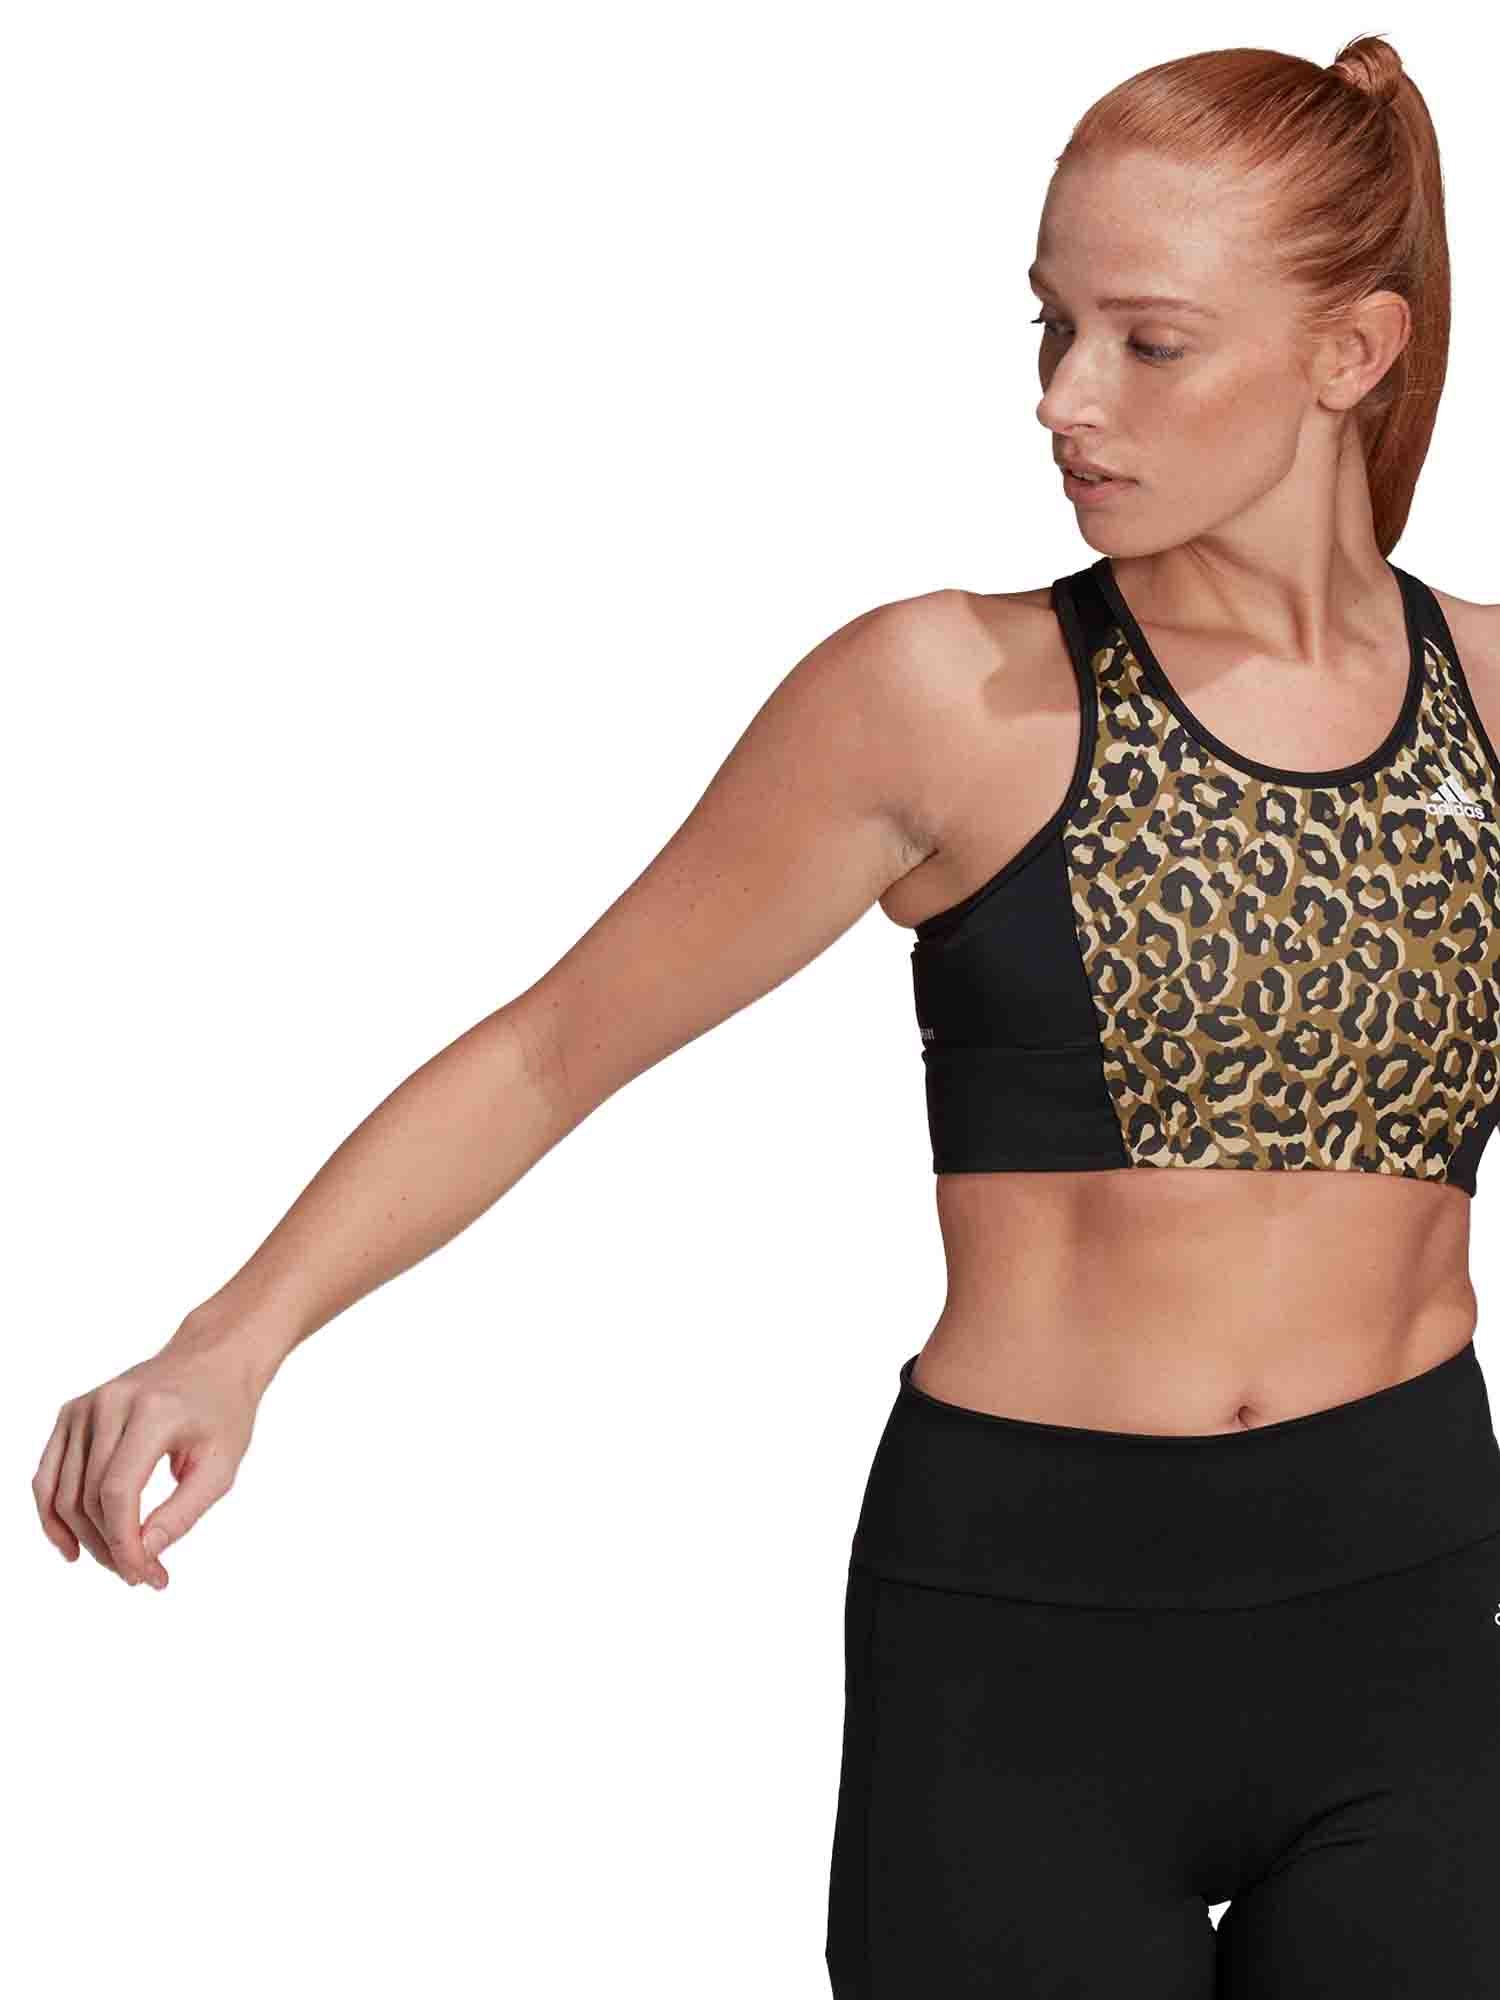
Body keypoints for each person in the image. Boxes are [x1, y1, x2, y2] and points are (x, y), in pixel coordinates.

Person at [30, 29, 1500, 1996]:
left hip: (1413, 1621)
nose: (1063, 396)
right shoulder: (944, 697)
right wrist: (232, 1342)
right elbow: (554, 1045)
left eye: (1148, 343)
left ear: (1353, 353)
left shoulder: (1493, 704)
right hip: (1032, 1651)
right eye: (1050, 325)